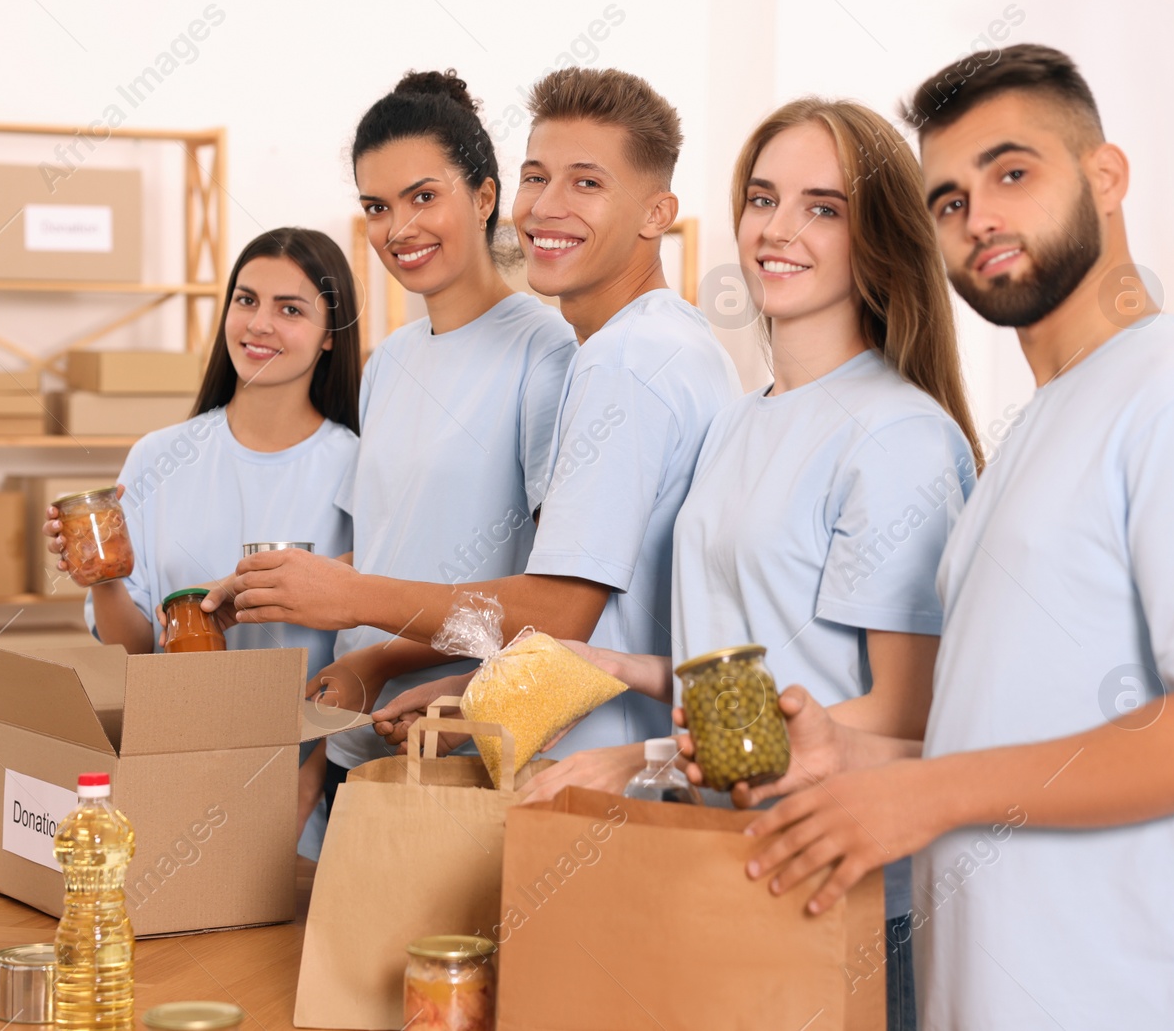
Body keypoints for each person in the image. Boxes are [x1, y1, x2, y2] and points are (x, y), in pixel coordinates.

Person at [735, 44, 1174, 1030]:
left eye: (1011, 173)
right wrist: (860, 766)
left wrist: (930, 793)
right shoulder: (1039, 427)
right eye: (947, 200)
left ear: (1105, 175)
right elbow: (1016, 735)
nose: (979, 218)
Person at [514, 96, 983, 1031]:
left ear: (879, 236)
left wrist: (643, 758)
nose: (777, 229)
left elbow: (903, 714)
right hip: (722, 857)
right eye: (763, 198)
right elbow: (763, 655)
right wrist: (624, 668)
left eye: (822, 207)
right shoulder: (744, 415)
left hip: (838, 893)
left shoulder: (896, 438)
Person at [209, 66, 740, 766]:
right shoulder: (657, 342)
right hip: (528, 735)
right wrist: (464, 684)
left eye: (587, 182)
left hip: (581, 762)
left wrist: (364, 612)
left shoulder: (610, 361)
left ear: (656, 213)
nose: (548, 206)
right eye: (538, 177)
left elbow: (556, 610)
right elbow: (580, 612)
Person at [204, 69, 577, 804]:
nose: (397, 229)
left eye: (423, 197)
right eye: (377, 206)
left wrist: (371, 635)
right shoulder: (392, 360)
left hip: (460, 740)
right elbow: (396, 546)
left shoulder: (548, 355)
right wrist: (281, 587)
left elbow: (554, 611)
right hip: (356, 737)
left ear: (485, 197)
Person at [42, 226, 361, 857]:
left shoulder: (356, 467)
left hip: (301, 799)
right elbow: (134, 648)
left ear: (330, 335)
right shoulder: (161, 456)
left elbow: (358, 657)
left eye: (289, 309)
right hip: (173, 772)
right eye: (246, 301)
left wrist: (305, 788)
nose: (259, 324)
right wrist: (103, 573)